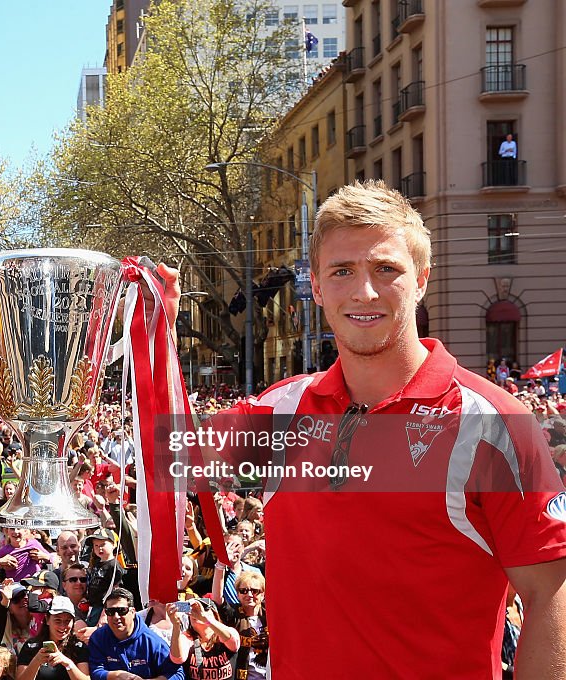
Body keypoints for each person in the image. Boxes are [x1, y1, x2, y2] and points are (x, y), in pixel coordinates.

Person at [157, 181, 566, 676]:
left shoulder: (495, 422)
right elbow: (171, 459)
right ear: (318, 287)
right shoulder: (278, 408)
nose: (364, 291)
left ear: (422, 280)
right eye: (343, 271)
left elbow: (549, 597)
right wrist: (156, 346)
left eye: (386, 269)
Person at [87, 588, 184, 680]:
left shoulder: (152, 641)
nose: (116, 616)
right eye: (110, 612)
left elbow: (177, 674)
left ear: (133, 612)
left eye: (121, 611)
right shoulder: (98, 638)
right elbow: (95, 671)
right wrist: (115, 676)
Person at [16, 596, 89, 680]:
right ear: (47, 619)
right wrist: (36, 661)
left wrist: (68, 664)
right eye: (58, 620)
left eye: (67, 621)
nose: (62, 626)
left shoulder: (78, 646)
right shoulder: (31, 646)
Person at [166, 599, 239, 680]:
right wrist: (176, 625)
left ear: (215, 614)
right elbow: (177, 658)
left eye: (204, 608)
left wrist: (205, 619)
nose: (196, 612)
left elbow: (232, 640)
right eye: (191, 609)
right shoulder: (187, 638)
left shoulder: (226, 632)